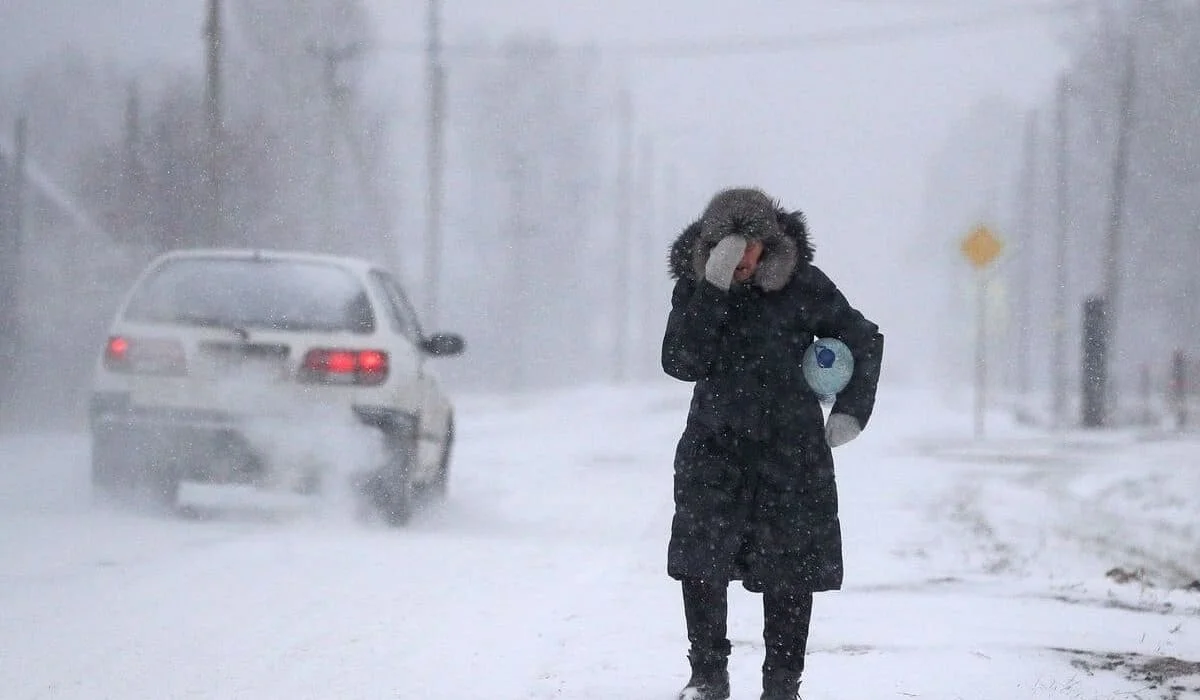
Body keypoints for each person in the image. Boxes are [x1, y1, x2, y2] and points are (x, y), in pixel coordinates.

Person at [661, 187, 884, 700]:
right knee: (701, 563)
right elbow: (681, 361)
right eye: (724, 248)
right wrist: (711, 289)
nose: (738, 260)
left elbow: (864, 339)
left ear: (767, 244)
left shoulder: (802, 285)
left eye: (746, 248)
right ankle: (707, 678)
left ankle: (782, 686)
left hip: (791, 452)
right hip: (714, 448)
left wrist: (850, 412)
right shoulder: (699, 288)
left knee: (790, 572)